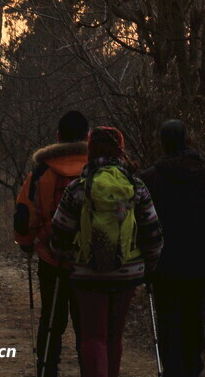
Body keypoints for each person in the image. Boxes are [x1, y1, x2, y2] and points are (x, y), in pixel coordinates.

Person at [51, 126, 163, 377]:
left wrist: (64, 255)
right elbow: (152, 232)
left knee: (93, 335)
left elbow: (59, 232)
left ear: (90, 151)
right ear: (120, 150)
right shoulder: (135, 186)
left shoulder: (79, 187)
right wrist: (150, 263)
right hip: (127, 272)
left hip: (86, 272)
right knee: (114, 335)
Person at [141, 119, 205, 377]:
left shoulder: (151, 177)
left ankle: (172, 369)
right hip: (200, 258)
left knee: (168, 317)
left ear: (162, 143)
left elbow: (140, 220)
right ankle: (193, 366)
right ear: (188, 140)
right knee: (194, 313)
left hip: (164, 262)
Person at [14, 110, 89, 377]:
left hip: (52, 257)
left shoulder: (43, 170)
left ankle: (47, 369)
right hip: (89, 261)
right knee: (86, 324)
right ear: (87, 136)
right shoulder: (98, 169)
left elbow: (25, 212)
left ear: (58, 136)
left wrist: (25, 242)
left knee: (51, 319)